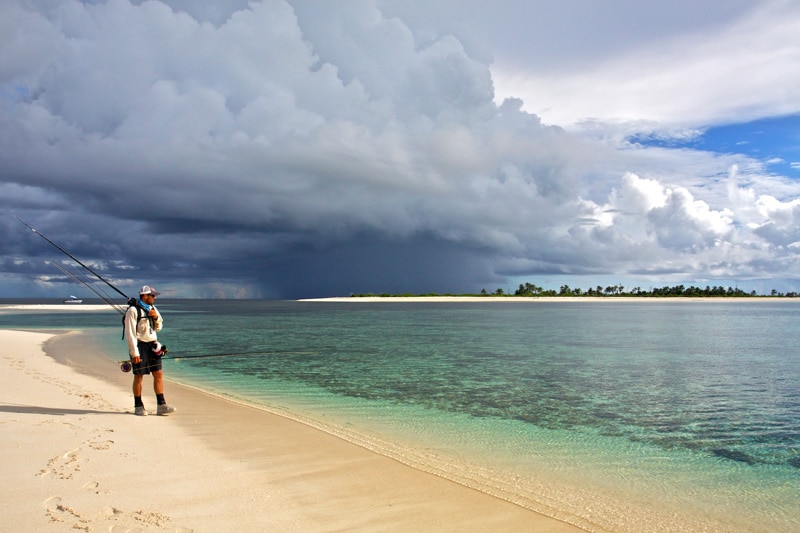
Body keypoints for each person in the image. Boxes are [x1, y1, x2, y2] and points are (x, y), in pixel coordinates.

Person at [124, 285, 176, 416]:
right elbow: (130, 333)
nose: (155, 298)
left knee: (158, 374)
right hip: (139, 345)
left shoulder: (153, 309)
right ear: (145, 296)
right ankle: (138, 406)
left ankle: (161, 405)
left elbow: (159, 328)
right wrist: (134, 352)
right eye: (153, 295)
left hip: (153, 345)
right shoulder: (132, 311)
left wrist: (156, 317)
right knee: (139, 376)